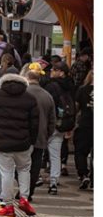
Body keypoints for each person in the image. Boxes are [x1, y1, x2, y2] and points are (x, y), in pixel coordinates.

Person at [0, 74, 39, 216]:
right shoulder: (30, 98)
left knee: (6, 172)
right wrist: (32, 141)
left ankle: (8, 205)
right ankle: (24, 199)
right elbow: (35, 123)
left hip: (2, 141)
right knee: (24, 169)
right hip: (23, 142)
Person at [25, 66, 56, 201]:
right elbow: (52, 120)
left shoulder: (23, 93)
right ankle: (29, 192)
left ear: (27, 77)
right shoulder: (47, 96)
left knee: (21, 165)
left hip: (23, 136)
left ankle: (22, 190)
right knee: (35, 165)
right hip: (40, 136)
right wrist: (47, 134)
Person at [44, 62, 75, 195]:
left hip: (48, 125)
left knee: (38, 152)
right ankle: (54, 182)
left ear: (61, 72)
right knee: (56, 155)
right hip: (61, 125)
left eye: (55, 69)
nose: (52, 71)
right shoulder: (70, 86)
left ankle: (36, 178)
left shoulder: (51, 86)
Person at [74, 70, 93, 190]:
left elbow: (76, 107)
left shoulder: (82, 90)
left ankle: (83, 174)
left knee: (81, 151)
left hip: (85, 123)